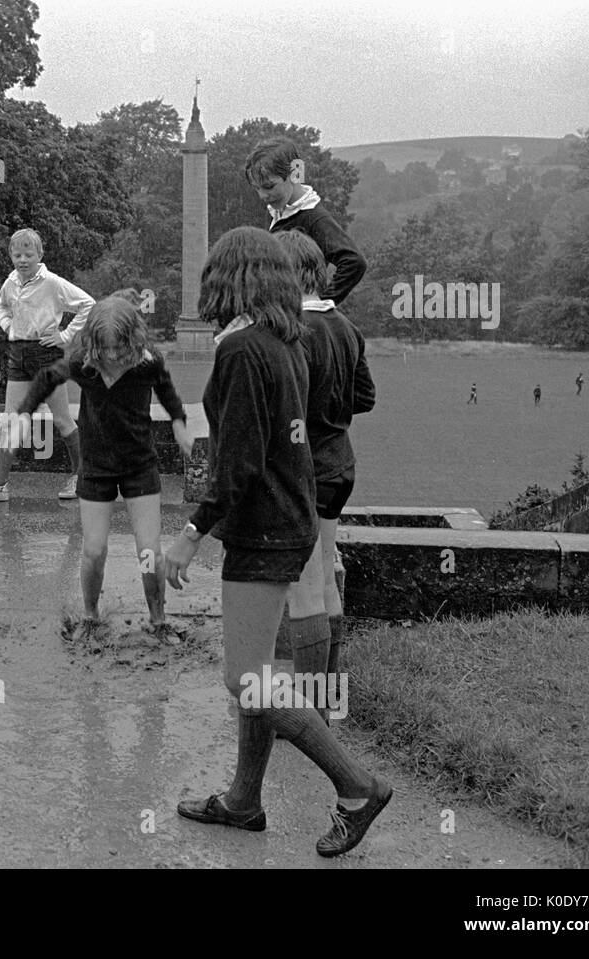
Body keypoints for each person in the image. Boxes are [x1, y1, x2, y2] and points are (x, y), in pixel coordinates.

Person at [164, 226, 391, 858]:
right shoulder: (284, 337)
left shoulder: (243, 349)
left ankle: (357, 787)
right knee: (259, 673)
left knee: (247, 681)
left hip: (264, 529)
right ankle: (243, 800)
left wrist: (189, 533)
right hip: (291, 519)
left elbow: (237, 463)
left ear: (229, 277)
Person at [7, 291, 192, 633]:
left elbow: (167, 391)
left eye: (118, 348)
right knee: (93, 550)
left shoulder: (148, 362)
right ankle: (90, 617)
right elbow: (48, 377)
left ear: (132, 341)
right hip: (95, 466)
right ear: (93, 342)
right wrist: (23, 415)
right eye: (104, 348)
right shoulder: (85, 363)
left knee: (149, 552)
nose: (110, 355)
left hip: (139, 465)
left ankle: (158, 621)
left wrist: (179, 421)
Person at [272, 232, 376, 723]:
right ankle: (330, 699)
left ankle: (310, 712)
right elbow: (365, 397)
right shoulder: (346, 328)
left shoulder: (294, 333)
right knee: (327, 579)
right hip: (339, 463)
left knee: (306, 587)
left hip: (303, 470)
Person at [0, 229, 94, 502]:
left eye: (28, 254)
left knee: (61, 420)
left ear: (40, 255)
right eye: (17, 254)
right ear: (10, 256)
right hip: (18, 356)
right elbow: (1, 306)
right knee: (11, 421)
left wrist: (65, 336)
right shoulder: (10, 282)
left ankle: (82, 479)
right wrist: (11, 327)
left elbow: (87, 304)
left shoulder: (53, 283)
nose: (22, 260)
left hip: (47, 356)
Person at [245, 138, 367, 305]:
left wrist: (321, 305)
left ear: (294, 174)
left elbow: (354, 262)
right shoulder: (278, 211)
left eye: (269, 186)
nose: (262, 196)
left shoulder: (314, 218)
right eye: (257, 188)